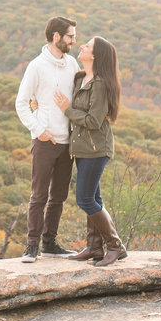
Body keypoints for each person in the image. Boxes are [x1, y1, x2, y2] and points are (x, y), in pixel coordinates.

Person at [54, 35, 127, 266]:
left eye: (87, 45)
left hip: (97, 148)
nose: (82, 46)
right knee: (94, 197)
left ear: (94, 55)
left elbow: (94, 121)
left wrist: (67, 110)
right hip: (82, 148)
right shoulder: (80, 79)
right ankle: (94, 247)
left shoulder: (101, 85)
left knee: (85, 198)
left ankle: (115, 245)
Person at [14, 16, 78, 262]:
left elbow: (79, 96)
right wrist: (38, 129)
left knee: (59, 197)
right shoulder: (37, 66)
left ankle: (49, 243)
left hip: (67, 142)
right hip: (44, 141)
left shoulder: (72, 64)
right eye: (70, 36)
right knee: (39, 195)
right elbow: (21, 103)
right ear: (56, 37)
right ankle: (31, 246)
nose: (73, 40)